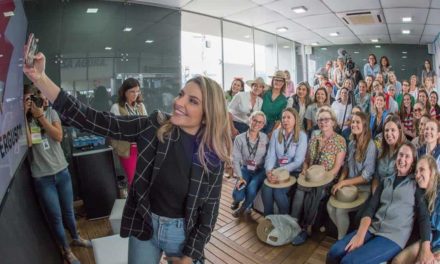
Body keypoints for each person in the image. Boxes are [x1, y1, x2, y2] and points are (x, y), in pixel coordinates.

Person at [24, 51, 233, 264]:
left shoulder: (212, 154)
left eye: (193, 101)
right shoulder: (155, 126)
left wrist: (189, 257)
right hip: (144, 226)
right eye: (181, 94)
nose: (179, 102)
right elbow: (94, 119)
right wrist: (40, 79)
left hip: (183, 235)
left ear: (208, 113)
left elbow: (209, 212)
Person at [327, 142, 431, 264]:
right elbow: (371, 208)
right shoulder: (386, 181)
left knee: (349, 261)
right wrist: (360, 235)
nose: (402, 159)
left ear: (413, 162)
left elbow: (424, 217)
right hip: (373, 228)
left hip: (393, 237)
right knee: (333, 253)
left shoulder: (416, 186)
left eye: (407, 156)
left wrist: (426, 248)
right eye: (400, 155)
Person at [23, 85, 91, 264]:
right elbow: (29, 143)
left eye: (40, 96)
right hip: (42, 177)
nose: (40, 100)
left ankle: (76, 237)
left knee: (69, 211)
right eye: (32, 98)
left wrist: (39, 116)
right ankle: (66, 251)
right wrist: (24, 114)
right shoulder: (25, 121)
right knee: (55, 216)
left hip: (61, 172)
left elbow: (58, 136)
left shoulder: (51, 113)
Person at [291, 106, 346, 244]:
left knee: (316, 192)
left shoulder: (340, 141)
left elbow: (336, 168)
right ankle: (293, 223)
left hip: (328, 178)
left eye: (326, 119)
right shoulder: (315, 138)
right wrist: (305, 169)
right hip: (310, 176)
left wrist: (322, 179)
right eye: (320, 120)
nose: (323, 122)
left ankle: (306, 228)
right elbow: (307, 160)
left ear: (333, 122)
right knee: (299, 191)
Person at [327, 112, 376, 240]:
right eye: (352, 122)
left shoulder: (370, 146)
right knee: (330, 206)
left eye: (357, 122)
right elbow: (347, 166)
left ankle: (340, 240)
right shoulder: (351, 143)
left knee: (340, 210)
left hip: (363, 189)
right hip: (349, 185)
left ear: (365, 125)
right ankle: (345, 236)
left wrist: (343, 183)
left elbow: (366, 176)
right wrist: (341, 181)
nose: (354, 124)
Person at [392, 155, 440, 264]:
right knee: (397, 261)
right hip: (429, 238)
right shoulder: (421, 192)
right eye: (416, 172)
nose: (417, 175)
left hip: (437, 244)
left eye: (422, 170)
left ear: (432, 171)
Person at [262, 108, 307, 215]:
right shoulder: (276, 133)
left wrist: (279, 171)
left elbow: (298, 161)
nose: (285, 120)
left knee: (278, 192)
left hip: (293, 172)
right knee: (266, 189)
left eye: (288, 117)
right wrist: (269, 171)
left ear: (295, 119)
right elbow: (271, 155)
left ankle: (285, 222)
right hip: (276, 170)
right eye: (283, 117)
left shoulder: (302, 136)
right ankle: (268, 220)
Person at [230, 111, 269, 218]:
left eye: (260, 122)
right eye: (255, 120)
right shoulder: (239, 138)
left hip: (259, 170)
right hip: (245, 169)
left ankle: (244, 208)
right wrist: (240, 177)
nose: (257, 124)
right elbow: (236, 159)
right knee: (237, 195)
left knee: (252, 188)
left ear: (263, 125)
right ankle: (237, 201)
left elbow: (268, 156)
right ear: (249, 120)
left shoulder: (265, 138)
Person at [110, 78, 147, 185]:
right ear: (124, 92)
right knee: (132, 179)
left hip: (141, 147)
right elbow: (113, 130)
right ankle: (133, 201)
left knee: (143, 178)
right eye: (132, 91)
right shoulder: (116, 107)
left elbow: (146, 125)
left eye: (137, 91)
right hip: (127, 148)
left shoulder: (140, 106)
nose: (135, 94)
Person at [371, 114, 406, 193]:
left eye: (393, 130)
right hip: (378, 192)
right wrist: (375, 195)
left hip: (395, 195)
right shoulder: (381, 150)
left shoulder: (406, 152)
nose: (389, 134)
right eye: (386, 130)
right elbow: (376, 177)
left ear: (399, 131)